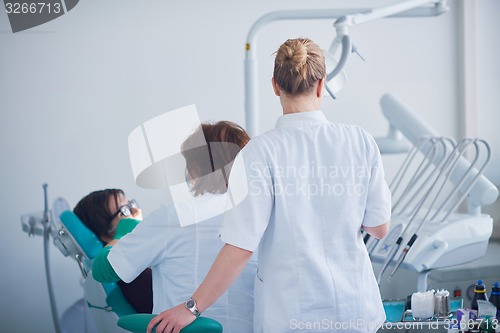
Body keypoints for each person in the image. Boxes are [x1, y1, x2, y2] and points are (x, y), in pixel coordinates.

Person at [148, 38, 391, 333]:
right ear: (321, 85)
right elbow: (379, 229)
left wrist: (191, 308)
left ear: (275, 86)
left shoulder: (259, 153)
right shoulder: (360, 141)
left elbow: (240, 246)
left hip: (293, 317)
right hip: (356, 312)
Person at [92, 121, 256, 332]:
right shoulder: (260, 218)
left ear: (196, 170)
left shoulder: (172, 218)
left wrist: (124, 229)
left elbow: (103, 271)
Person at [73, 188, 153, 314]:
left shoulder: (145, 256)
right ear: (106, 234)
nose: (137, 211)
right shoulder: (133, 274)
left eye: (130, 204)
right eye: (124, 211)